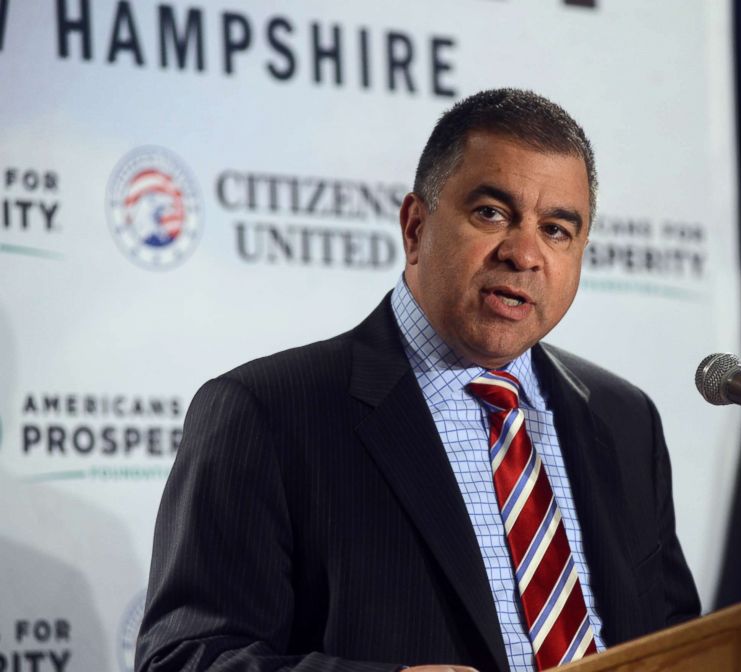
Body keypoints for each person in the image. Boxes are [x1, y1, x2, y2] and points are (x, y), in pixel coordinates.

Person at [136, 88, 700, 672]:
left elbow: (683, 643)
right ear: (415, 227)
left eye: (556, 229)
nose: (524, 253)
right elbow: (184, 659)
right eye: (492, 213)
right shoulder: (268, 412)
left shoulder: (623, 416)